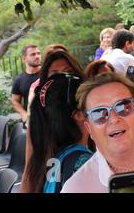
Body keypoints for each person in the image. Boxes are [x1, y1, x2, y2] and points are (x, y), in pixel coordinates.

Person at [21, 50, 85, 193]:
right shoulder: (39, 120)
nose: (62, 77)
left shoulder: (93, 112)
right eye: (55, 73)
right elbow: (29, 171)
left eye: (68, 71)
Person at [11, 45, 41, 123]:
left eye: (38, 53)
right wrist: (24, 114)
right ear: (24, 58)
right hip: (31, 122)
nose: (37, 56)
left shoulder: (48, 74)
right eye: (33, 54)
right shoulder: (19, 80)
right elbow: (15, 101)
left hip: (51, 121)